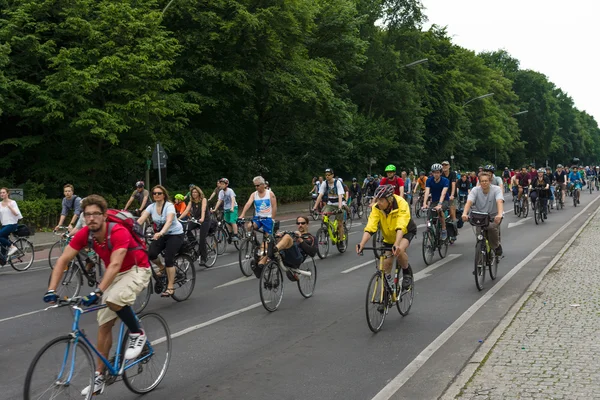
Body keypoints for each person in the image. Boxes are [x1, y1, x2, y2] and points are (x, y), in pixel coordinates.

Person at [44, 195, 152, 396]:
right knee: (103, 324)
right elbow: (63, 260)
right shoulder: (85, 234)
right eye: (87, 215)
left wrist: (98, 291)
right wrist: (51, 290)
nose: (91, 218)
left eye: (95, 214)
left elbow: (115, 264)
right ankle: (99, 376)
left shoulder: (117, 231)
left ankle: (138, 333)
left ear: (104, 216)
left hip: (137, 268)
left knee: (114, 299)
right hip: (116, 274)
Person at [356, 184, 417, 295]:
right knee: (386, 263)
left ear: (389, 199)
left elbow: (401, 225)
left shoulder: (401, 204)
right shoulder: (377, 208)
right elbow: (370, 227)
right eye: (377, 200)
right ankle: (389, 287)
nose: (378, 202)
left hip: (405, 232)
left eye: (381, 200)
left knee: (399, 251)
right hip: (389, 235)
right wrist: (362, 243)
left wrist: (397, 244)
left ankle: (406, 271)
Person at [137, 185, 184, 297]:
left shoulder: (169, 206)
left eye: (159, 193)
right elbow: (141, 220)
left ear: (164, 195)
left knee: (168, 258)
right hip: (161, 234)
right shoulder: (151, 207)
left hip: (175, 234)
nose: (156, 195)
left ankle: (170, 287)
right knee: (151, 254)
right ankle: (162, 268)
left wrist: (161, 233)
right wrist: (129, 230)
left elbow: (169, 221)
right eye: (154, 193)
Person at [461, 173, 504, 256]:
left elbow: (499, 201)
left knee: (492, 228)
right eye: (482, 181)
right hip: (480, 216)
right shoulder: (475, 190)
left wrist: (499, 214)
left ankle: (496, 246)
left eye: (486, 181)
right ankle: (479, 265)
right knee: (479, 236)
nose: (484, 183)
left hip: (493, 216)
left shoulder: (496, 189)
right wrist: (464, 214)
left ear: (490, 181)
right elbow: (469, 202)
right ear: (479, 182)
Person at [270, 215, 317, 281]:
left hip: (297, 257)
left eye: (302, 223)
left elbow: (313, 252)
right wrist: (279, 236)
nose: (300, 225)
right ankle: (260, 260)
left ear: (307, 224)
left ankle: (274, 250)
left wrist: (301, 240)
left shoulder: (311, 237)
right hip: (286, 254)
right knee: (272, 238)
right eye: (298, 223)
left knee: (287, 237)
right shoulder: (293, 234)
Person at [179, 186, 211, 265]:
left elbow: (203, 209)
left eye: (195, 192)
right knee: (185, 229)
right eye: (193, 192)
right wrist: (178, 218)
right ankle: (194, 243)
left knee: (202, 239)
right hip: (196, 220)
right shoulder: (191, 201)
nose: (194, 194)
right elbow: (186, 211)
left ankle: (204, 257)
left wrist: (202, 218)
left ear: (199, 193)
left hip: (205, 220)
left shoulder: (203, 200)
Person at [313, 168, 345, 240]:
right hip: (330, 204)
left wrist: (340, 208)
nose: (327, 176)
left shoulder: (337, 183)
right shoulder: (325, 183)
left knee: (340, 224)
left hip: (339, 204)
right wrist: (314, 207)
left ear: (332, 175)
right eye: (326, 175)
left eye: (329, 175)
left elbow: (340, 195)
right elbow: (320, 195)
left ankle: (341, 240)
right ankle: (329, 228)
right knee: (323, 217)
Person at [422, 163, 450, 240]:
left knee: (439, 211)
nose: (436, 174)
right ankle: (430, 230)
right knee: (429, 215)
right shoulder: (429, 180)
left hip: (444, 200)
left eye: (438, 172)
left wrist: (440, 204)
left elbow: (443, 193)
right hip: (434, 201)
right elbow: (427, 192)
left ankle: (444, 229)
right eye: (434, 172)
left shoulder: (445, 180)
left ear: (441, 173)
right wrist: (424, 203)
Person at [0, 188, 23, 265]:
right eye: (1, 193)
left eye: (3, 192)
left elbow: (17, 214)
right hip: (4, 225)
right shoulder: (0, 204)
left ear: (7, 193)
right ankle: (3, 261)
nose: (2, 194)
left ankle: (12, 247)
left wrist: (9, 207)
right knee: (3, 243)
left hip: (12, 224)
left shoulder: (12, 202)